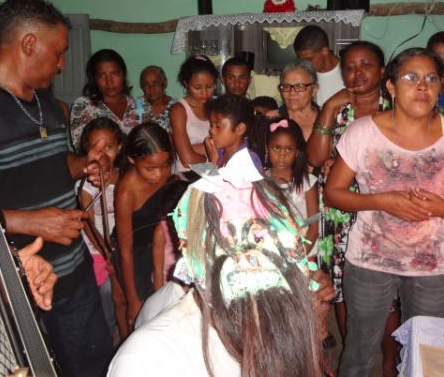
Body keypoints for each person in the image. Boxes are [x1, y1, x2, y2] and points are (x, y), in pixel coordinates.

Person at [0, 0, 113, 376]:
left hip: (73, 274)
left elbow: (54, 165)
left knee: (93, 367)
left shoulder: (45, 100)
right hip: (7, 287)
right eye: (58, 53)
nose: (61, 65)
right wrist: (27, 222)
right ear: (28, 44)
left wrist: (83, 165)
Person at [324, 47, 444, 376]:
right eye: (411, 77)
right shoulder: (362, 133)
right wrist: (383, 200)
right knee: (359, 349)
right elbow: (333, 193)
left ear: (441, 86)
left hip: (433, 266)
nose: (422, 85)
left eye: (431, 78)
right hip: (370, 259)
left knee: (426, 351)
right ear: (391, 87)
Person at [108, 146, 328, 377]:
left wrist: (312, 323)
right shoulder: (148, 359)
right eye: (227, 239)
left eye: (263, 236)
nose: (249, 255)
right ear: (193, 258)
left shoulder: (289, 322)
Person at [306, 41, 394, 369]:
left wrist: (345, 165)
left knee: (385, 296)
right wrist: (328, 107)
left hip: (383, 214)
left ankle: (390, 365)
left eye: (366, 65)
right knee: (342, 289)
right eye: (350, 67)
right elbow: (315, 158)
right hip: (339, 215)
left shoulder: (396, 108)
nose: (357, 73)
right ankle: (356, 359)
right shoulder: (339, 108)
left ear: (382, 71)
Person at [115, 122, 186, 329]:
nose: (159, 174)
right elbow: (125, 251)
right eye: (150, 169)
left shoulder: (168, 177)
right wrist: (133, 299)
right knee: (146, 313)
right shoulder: (126, 192)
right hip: (135, 254)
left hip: (162, 241)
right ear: (132, 160)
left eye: (165, 166)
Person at [76, 117, 128, 341]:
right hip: (97, 250)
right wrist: (106, 251)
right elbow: (87, 223)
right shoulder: (85, 183)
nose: (103, 155)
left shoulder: (125, 177)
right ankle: (106, 340)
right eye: (95, 148)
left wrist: (117, 250)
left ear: (119, 147)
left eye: (108, 147)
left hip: (120, 247)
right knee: (105, 296)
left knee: (122, 295)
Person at [264, 118, 319, 257]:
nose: (282, 155)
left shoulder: (307, 183)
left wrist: (300, 254)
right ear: (267, 148)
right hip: (271, 254)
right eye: (276, 148)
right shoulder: (260, 182)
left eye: (289, 149)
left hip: (303, 253)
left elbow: (313, 226)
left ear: (297, 152)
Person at [70, 49, 140, 150]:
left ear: (123, 75)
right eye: (102, 76)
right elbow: (81, 147)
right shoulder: (84, 106)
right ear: (94, 79)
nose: (109, 82)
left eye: (114, 74)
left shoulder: (139, 105)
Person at [169, 55, 218, 173]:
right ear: (186, 84)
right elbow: (187, 160)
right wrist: (212, 157)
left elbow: (230, 144)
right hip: (187, 176)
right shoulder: (179, 110)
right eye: (197, 87)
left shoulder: (219, 106)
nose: (205, 93)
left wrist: (195, 149)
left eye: (209, 86)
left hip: (214, 172)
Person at [204, 94, 262, 169]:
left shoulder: (248, 161)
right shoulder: (218, 151)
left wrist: (213, 163)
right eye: (211, 125)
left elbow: (215, 181)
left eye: (218, 126)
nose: (211, 131)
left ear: (239, 129)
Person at [294, 25, 343, 106]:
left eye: (309, 59)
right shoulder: (302, 74)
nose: (304, 64)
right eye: (300, 59)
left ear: (325, 51)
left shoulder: (348, 71)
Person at [278, 59, 319, 141]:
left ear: (314, 89)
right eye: (286, 86)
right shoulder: (271, 121)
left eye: (300, 86)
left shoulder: (327, 119)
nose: (292, 92)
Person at [136, 65, 175, 131]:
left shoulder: (176, 106)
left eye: (155, 84)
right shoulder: (136, 105)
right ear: (142, 86)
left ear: (165, 83)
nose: (151, 88)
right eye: (146, 84)